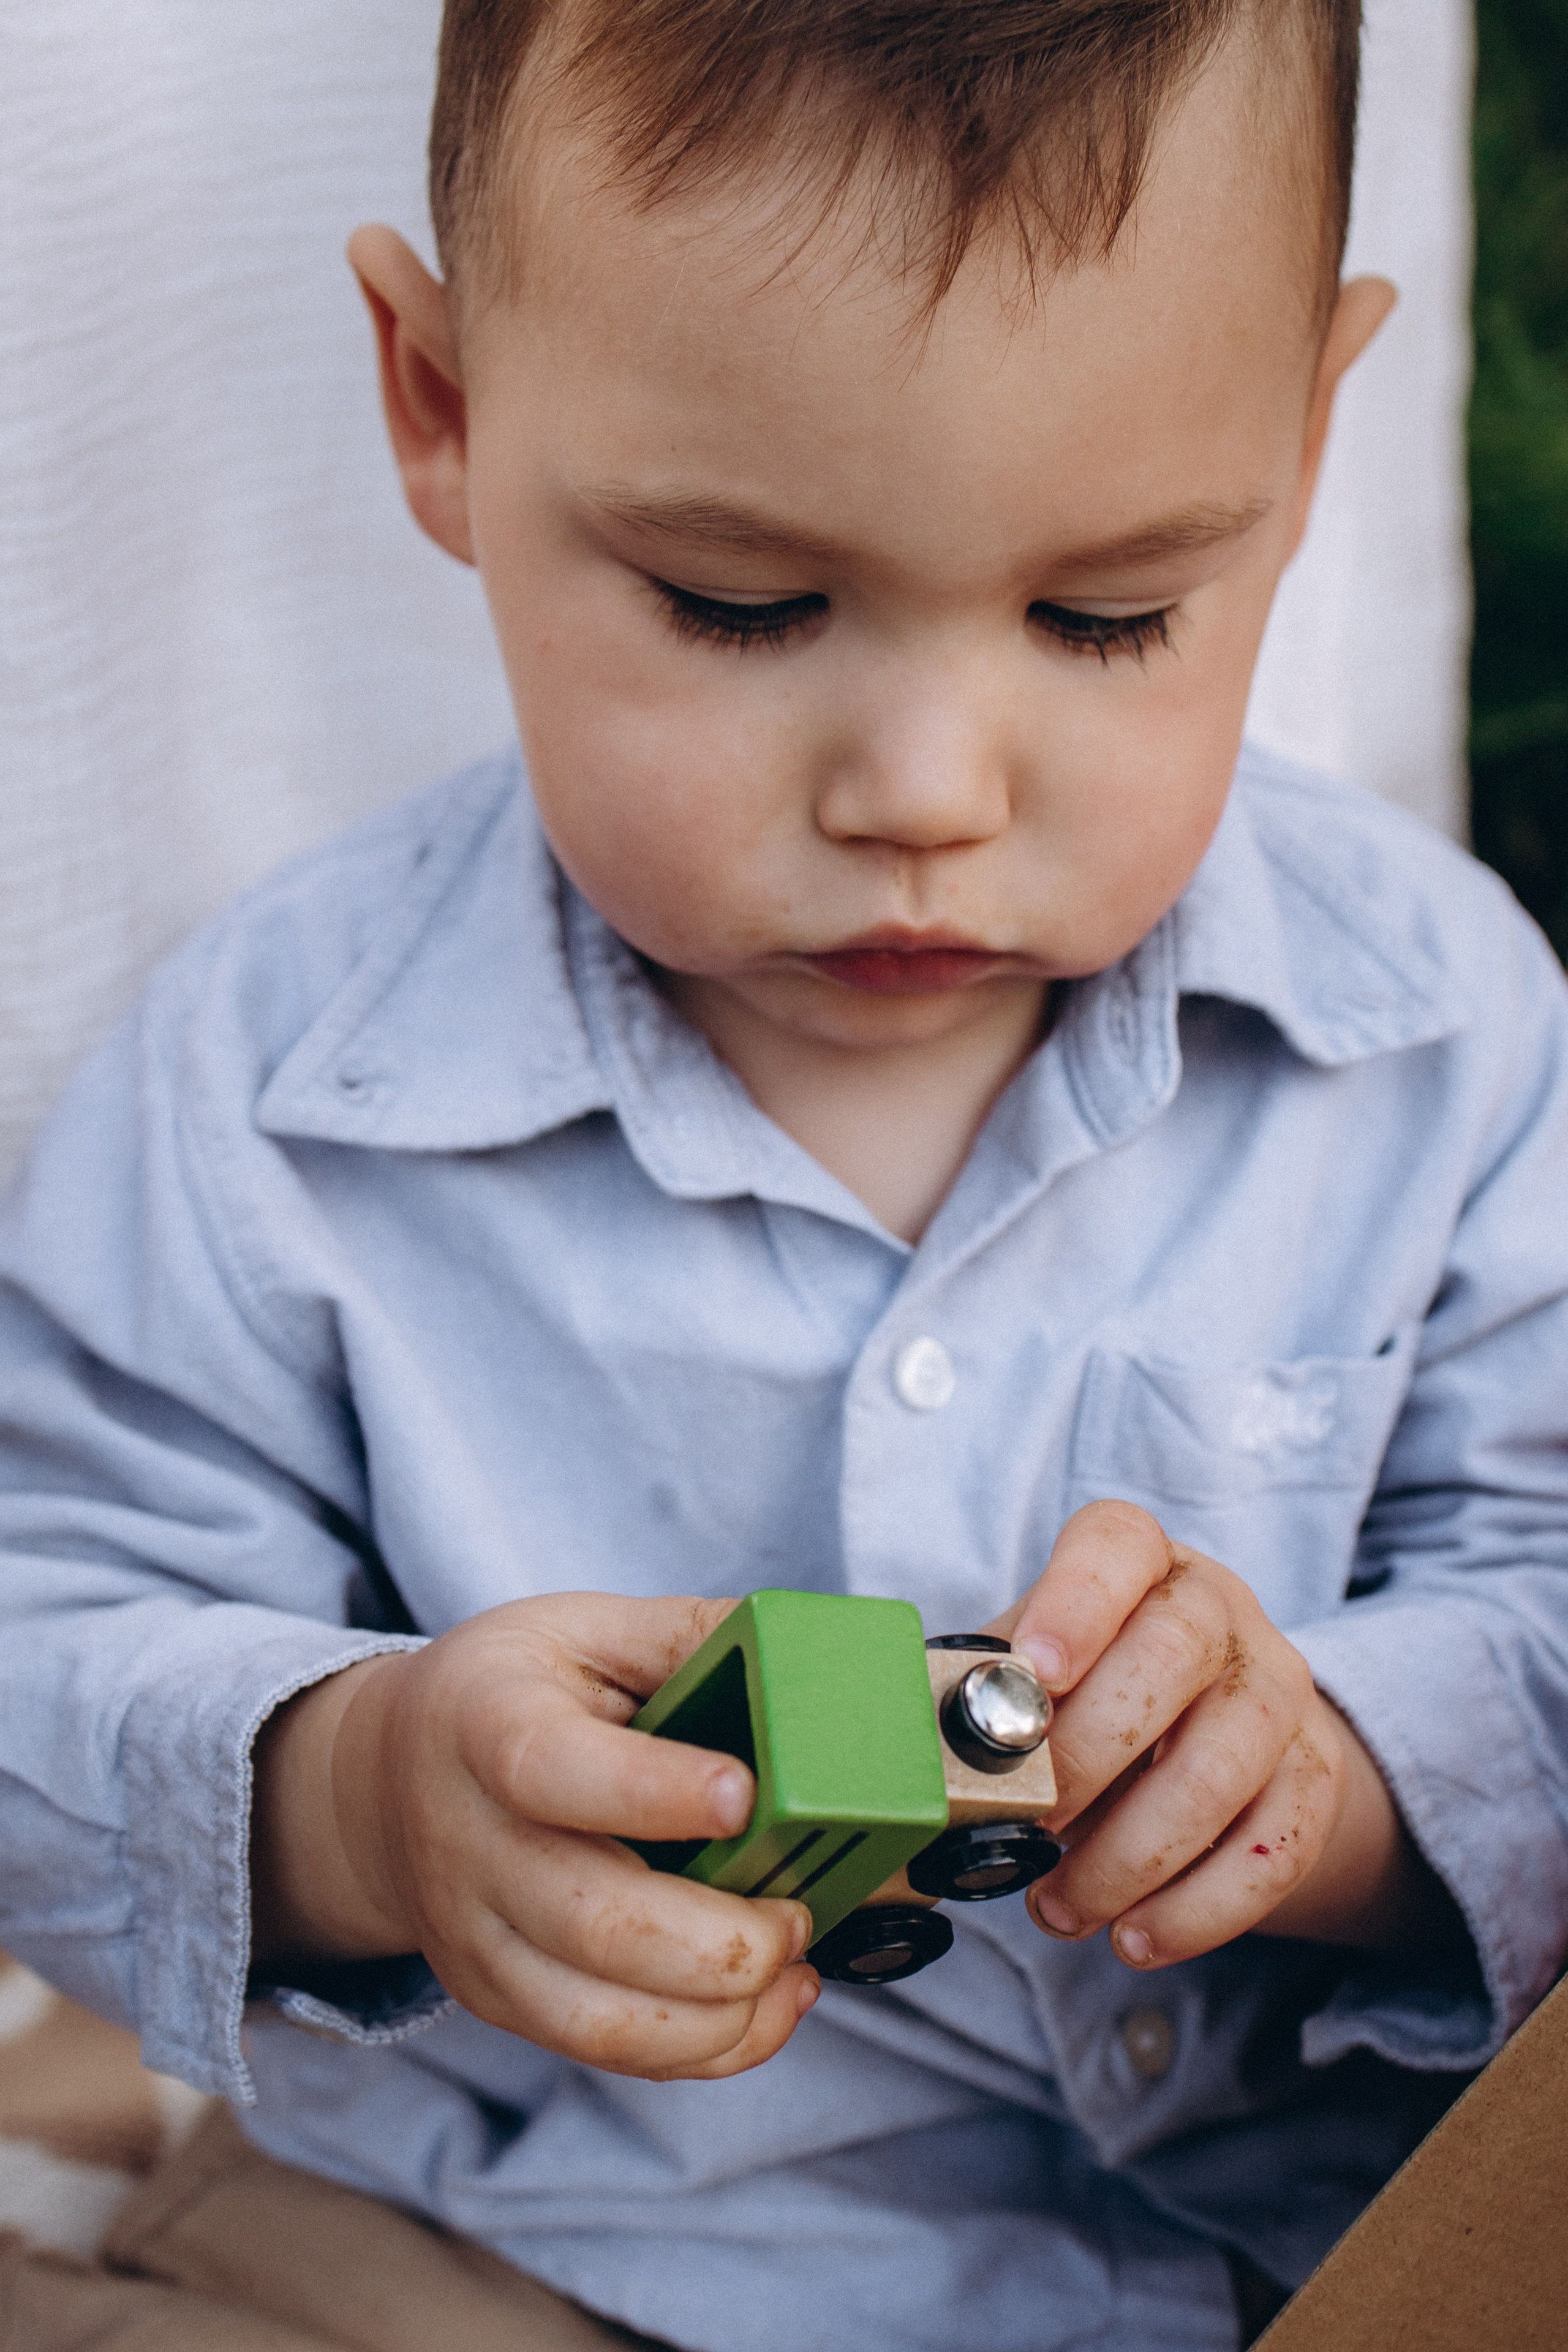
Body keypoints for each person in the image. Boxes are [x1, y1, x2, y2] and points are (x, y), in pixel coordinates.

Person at [0, 3, 1564, 2348]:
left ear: (1313, 435)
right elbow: (50, 1645)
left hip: (1299, 2250)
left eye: (1107, 613)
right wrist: (369, 1798)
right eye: (740, 604)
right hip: (499, 2240)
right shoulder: (278, 1092)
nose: (926, 785)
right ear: (440, 408)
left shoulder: (1436, 1033)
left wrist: (1339, 1778)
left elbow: (1545, 1569)